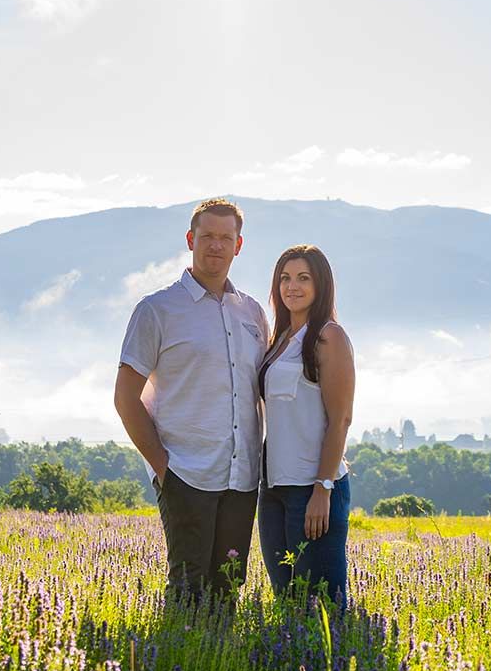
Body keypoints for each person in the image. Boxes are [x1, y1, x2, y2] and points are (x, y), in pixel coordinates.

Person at [114, 198, 268, 603]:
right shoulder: (157, 310)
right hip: (186, 473)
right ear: (190, 240)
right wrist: (164, 468)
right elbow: (125, 397)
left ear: (238, 245)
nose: (215, 245)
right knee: (187, 589)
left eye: (225, 237)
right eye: (207, 236)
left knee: (228, 588)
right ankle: (172, 664)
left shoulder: (252, 313)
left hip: (242, 477)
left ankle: (223, 664)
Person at [257, 245, 355, 609]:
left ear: (320, 285)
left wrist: (323, 488)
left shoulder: (329, 337)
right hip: (274, 490)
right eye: (284, 278)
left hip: (313, 489)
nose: (291, 287)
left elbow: (340, 419)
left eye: (303, 278)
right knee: (287, 602)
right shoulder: (280, 340)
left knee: (323, 607)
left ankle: (336, 666)